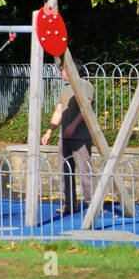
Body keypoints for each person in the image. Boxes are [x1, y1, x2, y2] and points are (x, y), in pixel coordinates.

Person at [41, 58, 94, 215]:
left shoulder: (85, 85)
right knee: (65, 170)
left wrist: (73, 125)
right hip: (64, 137)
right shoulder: (64, 88)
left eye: (62, 69)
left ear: (71, 69)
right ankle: (69, 204)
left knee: (85, 170)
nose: (60, 72)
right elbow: (58, 111)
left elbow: (86, 107)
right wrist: (49, 131)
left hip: (80, 136)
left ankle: (92, 203)